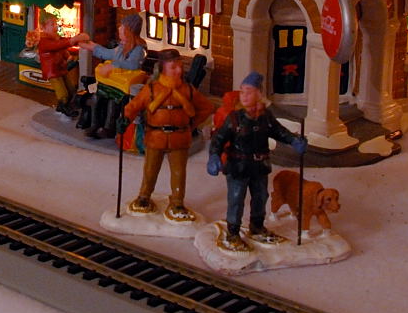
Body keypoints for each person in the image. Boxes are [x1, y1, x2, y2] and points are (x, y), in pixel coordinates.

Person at [206, 73, 306, 251]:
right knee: (236, 199)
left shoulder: (265, 117)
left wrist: (294, 140)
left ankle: (257, 227)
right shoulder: (234, 118)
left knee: (260, 197)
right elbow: (218, 139)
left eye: (249, 92)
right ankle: (233, 233)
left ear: (259, 94)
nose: (244, 96)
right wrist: (214, 155)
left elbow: (279, 132)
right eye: (242, 92)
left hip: (259, 167)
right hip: (238, 167)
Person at [122, 49, 218, 221]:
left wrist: (191, 124)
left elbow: (207, 107)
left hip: (179, 138)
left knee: (179, 172)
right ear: (163, 68)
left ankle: (177, 202)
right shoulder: (152, 89)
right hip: (155, 137)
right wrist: (124, 119)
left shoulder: (187, 90)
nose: (178, 70)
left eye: (180, 66)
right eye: (173, 67)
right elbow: (134, 106)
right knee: (150, 169)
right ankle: (144, 196)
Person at [77, 15, 149, 138]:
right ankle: (94, 125)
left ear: (129, 30)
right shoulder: (122, 46)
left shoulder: (139, 49)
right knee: (96, 96)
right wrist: (92, 47)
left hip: (125, 88)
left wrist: (112, 66)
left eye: (122, 26)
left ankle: (109, 128)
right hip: (113, 83)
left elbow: (132, 64)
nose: (119, 28)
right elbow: (109, 53)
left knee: (113, 101)